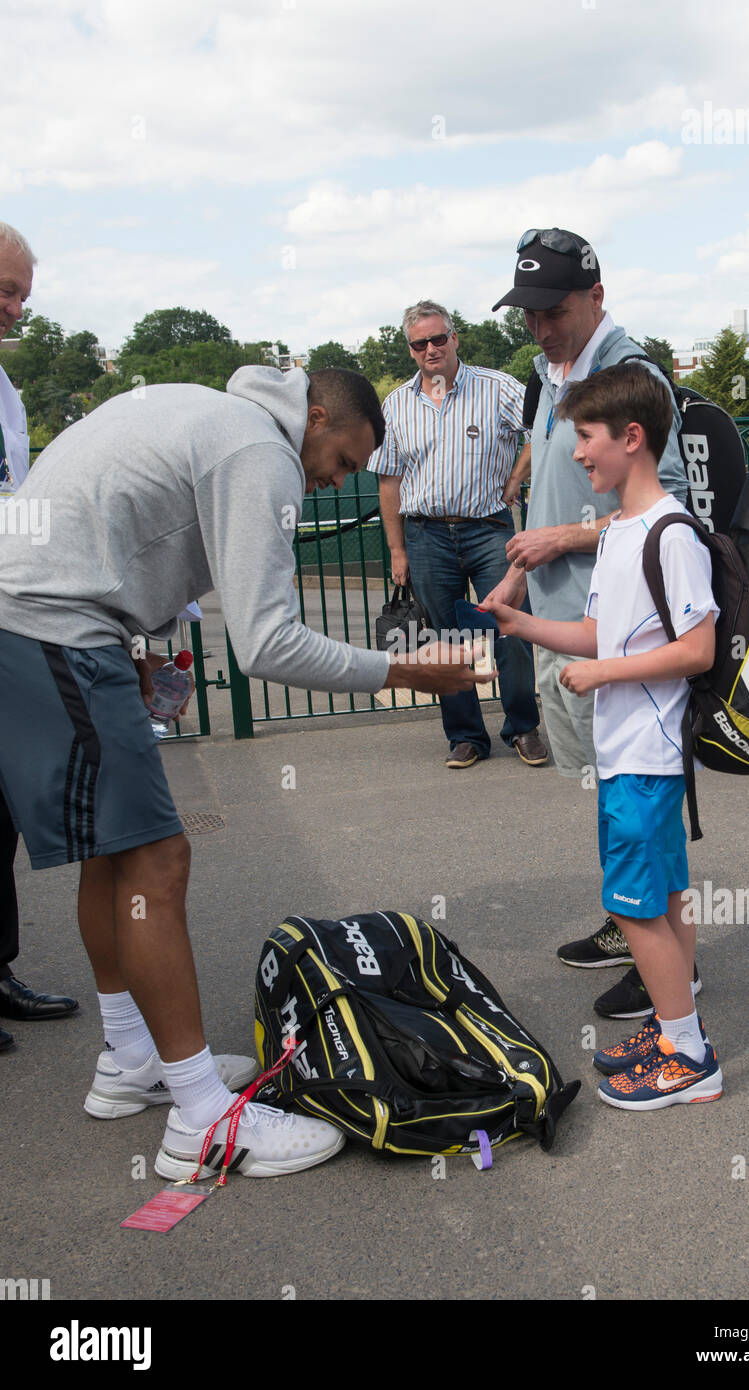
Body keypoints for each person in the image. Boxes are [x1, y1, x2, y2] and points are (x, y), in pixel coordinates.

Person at [0, 362, 494, 1178]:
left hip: (41, 614)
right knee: (159, 858)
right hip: (52, 621)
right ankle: (200, 1119)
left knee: (116, 853)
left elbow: (105, 522)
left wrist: (126, 645)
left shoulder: (214, 416)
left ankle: (131, 1063)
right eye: (340, 458)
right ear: (315, 414)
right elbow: (267, 643)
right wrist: (406, 670)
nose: (335, 477)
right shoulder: (257, 451)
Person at [484, 361, 721, 1108]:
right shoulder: (618, 530)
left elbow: (697, 648)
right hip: (629, 754)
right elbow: (597, 631)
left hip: (645, 754)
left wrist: (606, 674)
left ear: (631, 437)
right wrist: (525, 626)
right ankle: (670, 1025)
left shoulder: (670, 533)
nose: (576, 453)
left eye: (584, 438)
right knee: (665, 899)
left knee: (634, 908)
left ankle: (689, 1059)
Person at [488, 229, 694, 1019]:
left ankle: (662, 968)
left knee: (635, 801)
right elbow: (550, 493)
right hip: (568, 614)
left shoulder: (627, 374)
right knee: (610, 790)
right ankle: (632, 926)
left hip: (619, 637)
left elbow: (663, 502)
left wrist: (563, 539)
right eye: (529, 312)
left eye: (553, 308)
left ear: (595, 297)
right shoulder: (550, 371)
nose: (539, 326)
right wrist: (521, 567)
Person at [368, 299, 547, 769]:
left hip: (489, 531)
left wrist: (515, 479)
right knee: (444, 639)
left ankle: (523, 728)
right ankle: (466, 736)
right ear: (410, 350)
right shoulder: (396, 404)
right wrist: (396, 549)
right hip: (426, 536)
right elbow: (388, 479)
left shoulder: (497, 387)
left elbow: (542, 432)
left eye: (438, 338)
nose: (431, 349)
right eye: (420, 343)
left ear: (455, 338)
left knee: (510, 629)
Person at [0, 221, 78, 1051]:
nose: (16, 308)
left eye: (21, 292)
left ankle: (0, 966)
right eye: (5, 290)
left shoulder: (7, 390)